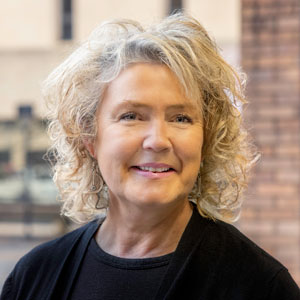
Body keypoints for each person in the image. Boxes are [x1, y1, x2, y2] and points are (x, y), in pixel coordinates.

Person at [1, 13, 299, 300]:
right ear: (89, 138)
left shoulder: (259, 286)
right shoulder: (34, 276)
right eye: (131, 116)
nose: (158, 140)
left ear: (207, 139)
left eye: (181, 118)